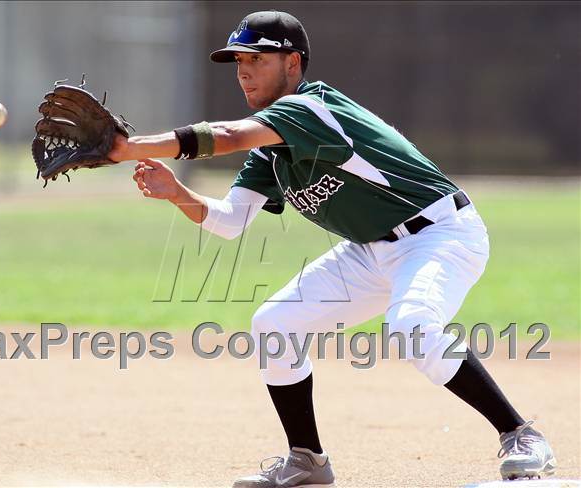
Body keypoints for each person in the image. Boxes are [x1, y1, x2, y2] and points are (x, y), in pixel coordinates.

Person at [108, 10, 557, 487]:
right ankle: (307, 460)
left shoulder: (311, 108)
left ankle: (521, 434)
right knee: (275, 325)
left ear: (293, 63)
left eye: (257, 59)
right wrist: (177, 194)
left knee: (412, 325)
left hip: (439, 234)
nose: (243, 71)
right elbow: (230, 222)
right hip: (369, 251)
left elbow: (228, 136)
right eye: (239, 60)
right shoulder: (269, 150)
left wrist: (130, 148)